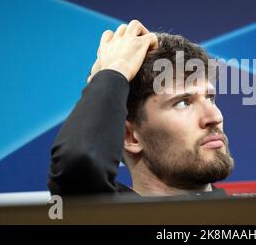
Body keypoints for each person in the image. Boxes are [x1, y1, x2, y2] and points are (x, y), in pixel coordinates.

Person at [48, 20, 235, 197]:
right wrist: (116, 70)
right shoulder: (109, 220)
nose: (215, 116)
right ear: (129, 136)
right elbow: (77, 165)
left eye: (210, 98)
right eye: (183, 103)